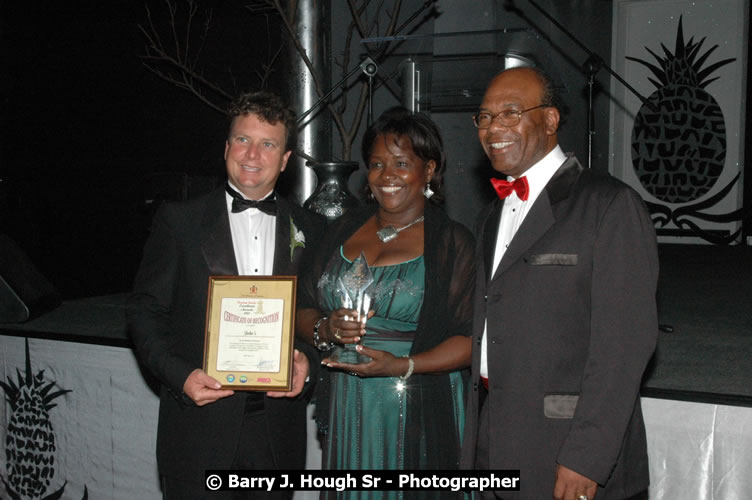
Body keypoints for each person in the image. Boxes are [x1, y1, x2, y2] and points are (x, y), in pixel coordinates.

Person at [460, 66, 658, 500]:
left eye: (511, 113)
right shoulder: (492, 214)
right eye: (485, 117)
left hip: (568, 453)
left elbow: (624, 346)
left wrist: (586, 457)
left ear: (550, 120)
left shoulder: (609, 204)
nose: (494, 128)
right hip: (495, 444)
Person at [127, 90, 326, 499]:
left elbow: (320, 317)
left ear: (285, 160)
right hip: (198, 429)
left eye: (268, 144)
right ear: (225, 148)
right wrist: (181, 376)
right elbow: (145, 312)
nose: (252, 154)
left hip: (277, 434)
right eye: (242, 139)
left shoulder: (312, 229)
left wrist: (311, 364)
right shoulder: (178, 221)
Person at [296, 107, 475, 498]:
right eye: (377, 164)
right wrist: (324, 329)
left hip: (415, 405)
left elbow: (472, 339)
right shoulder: (340, 230)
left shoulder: (453, 243)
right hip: (348, 402)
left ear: (428, 170)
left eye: (401, 163)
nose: (386, 175)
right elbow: (302, 305)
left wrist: (403, 365)